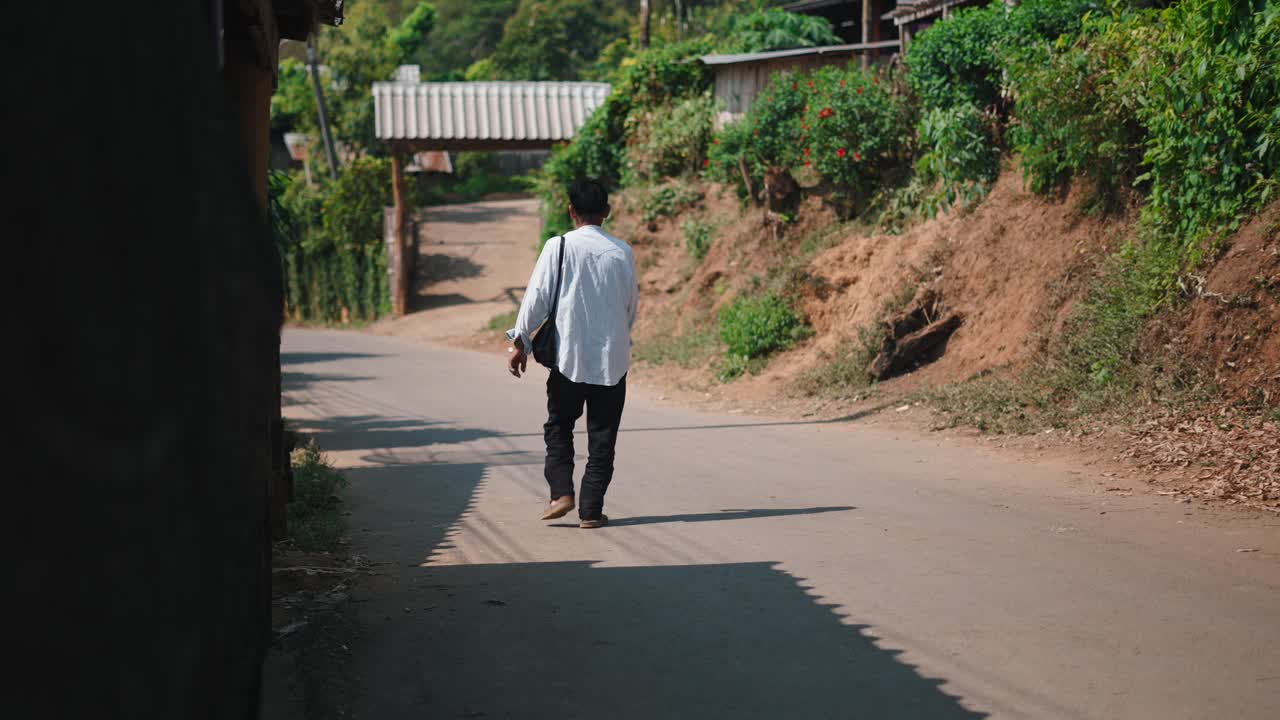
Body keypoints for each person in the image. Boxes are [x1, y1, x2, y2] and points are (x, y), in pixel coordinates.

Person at [506, 179, 637, 529]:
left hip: (568, 358)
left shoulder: (558, 246)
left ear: (571, 211)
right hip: (612, 359)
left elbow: (536, 299)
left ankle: (561, 493)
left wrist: (520, 343)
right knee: (603, 435)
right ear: (607, 213)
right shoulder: (623, 252)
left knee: (560, 426)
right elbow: (629, 308)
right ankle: (591, 510)